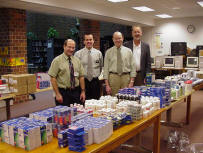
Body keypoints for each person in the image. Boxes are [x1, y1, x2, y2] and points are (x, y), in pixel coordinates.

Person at [48, 39, 85, 106]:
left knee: (77, 113)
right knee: (63, 114)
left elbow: (81, 77)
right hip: (63, 92)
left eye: (73, 47)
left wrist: (83, 91)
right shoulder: (57, 61)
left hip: (76, 92)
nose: (71, 49)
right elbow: (53, 78)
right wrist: (57, 94)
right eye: (69, 47)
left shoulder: (77, 61)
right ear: (64, 46)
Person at [103, 31, 136, 96]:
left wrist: (131, 82)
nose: (118, 40)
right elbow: (106, 69)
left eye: (119, 38)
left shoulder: (129, 51)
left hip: (126, 78)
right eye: (116, 38)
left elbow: (133, 67)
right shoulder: (108, 52)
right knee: (114, 99)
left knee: (126, 99)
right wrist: (107, 85)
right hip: (113, 78)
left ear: (122, 38)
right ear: (113, 39)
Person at [75, 34, 103, 100]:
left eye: (90, 39)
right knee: (84, 102)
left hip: (95, 82)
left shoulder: (98, 53)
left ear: (93, 41)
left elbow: (101, 67)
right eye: (87, 40)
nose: (89, 41)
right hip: (83, 82)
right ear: (84, 41)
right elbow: (76, 69)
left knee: (96, 102)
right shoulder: (78, 54)